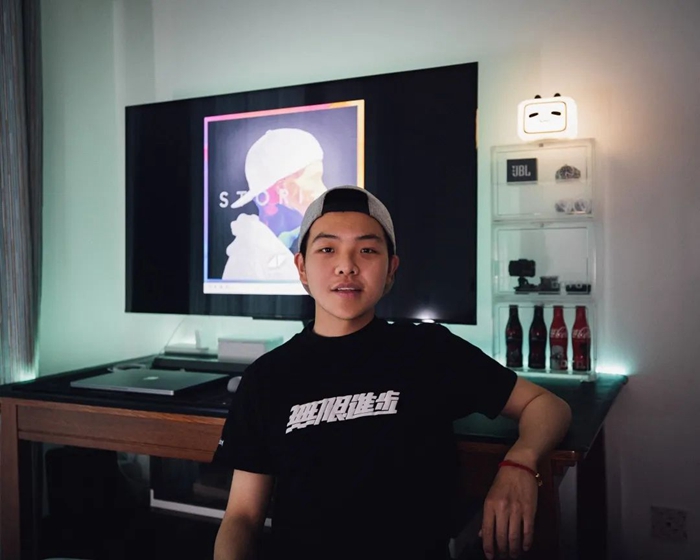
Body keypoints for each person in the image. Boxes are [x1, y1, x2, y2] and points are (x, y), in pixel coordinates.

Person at [212, 186, 572, 560]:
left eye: (367, 250)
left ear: (391, 270)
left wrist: (520, 463)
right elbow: (242, 517)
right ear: (301, 267)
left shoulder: (429, 350)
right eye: (327, 249)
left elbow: (547, 406)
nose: (346, 266)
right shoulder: (267, 377)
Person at [222, 128, 328, 281]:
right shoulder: (246, 262)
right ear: (280, 189)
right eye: (314, 179)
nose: (323, 190)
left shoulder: (296, 243)